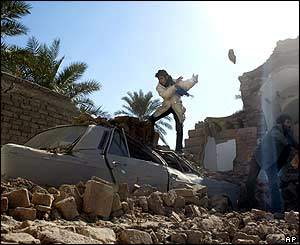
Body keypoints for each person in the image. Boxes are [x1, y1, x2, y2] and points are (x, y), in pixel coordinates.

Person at [245, 113, 298, 216]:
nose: (289, 125)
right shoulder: (275, 130)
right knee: (250, 182)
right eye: (287, 122)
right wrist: (289, 142)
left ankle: (276, 211)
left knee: (274, 185)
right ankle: (249, 205)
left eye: (290, 123)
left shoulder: (286, 133)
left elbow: (293, 144)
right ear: (281, 123)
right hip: (258, 158)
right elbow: (282, 140)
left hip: (270, 162)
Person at [148, 69, 199, 153]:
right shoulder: (159, 87)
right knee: (151, 120)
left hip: (177, 107)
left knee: (179, 127)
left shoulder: (175, 81)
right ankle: (149, 141)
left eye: (162, 78)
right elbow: (166, 95)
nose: (160, 81)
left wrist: (193, 80)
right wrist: (174, 86)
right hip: (166, 107)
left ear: (166, 77)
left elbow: (185, 85)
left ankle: (179, 149)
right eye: (159, 79)